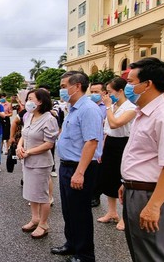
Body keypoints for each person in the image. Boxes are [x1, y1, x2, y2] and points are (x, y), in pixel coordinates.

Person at [119, 57, 164, 262]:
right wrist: (128, 182)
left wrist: (154, 205)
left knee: (153, 256)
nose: (128, 87)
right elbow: (142, 154)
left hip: (150, 194)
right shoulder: (144, 113)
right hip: (137, 190)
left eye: (131, 82)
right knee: (140, 253)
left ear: (147, 84)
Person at [50, 71, 102, 262]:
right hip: (67, 166)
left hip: (80, 168)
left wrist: (80, 172)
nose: (61, 90)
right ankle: (71, 244)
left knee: (80, 213)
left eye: (64, 86)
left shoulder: (88, 109)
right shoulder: (73, 109)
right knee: (69, 210)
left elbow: (91, 142)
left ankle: (85, 254)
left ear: (77, 86)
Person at [17, 89, 59, 239]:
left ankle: (43, 224)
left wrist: (29, 152)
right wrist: (19, 146)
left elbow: (49, 144)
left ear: (40, 101)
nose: (28, 101)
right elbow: (24, 134)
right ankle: (34, 219)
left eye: (31, 98)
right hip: (27, 161)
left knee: (42, 195)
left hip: (41, 163)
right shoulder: (30, 116)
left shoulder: (49, 119)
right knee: (31, 192)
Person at [97, 77, 136, 232]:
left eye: (110, 92)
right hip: (111, 143)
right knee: (109, 178)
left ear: (120, 91)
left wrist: (107, 107)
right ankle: (112, 212)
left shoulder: (131, 108)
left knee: (123, 180)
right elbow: (107, 130)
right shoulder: (112, 106)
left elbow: (115, 123)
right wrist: (102, 149)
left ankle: (126, 217)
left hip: (124, 144)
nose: (108, 95)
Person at [88, 82, 107, 208]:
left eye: (97, 92)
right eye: (92, 92)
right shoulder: (87, 107)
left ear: (104, 93)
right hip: (88, 143)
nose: (94, 94)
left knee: (98, 173)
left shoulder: (107, 108)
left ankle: (96, 196)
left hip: (100, 143)